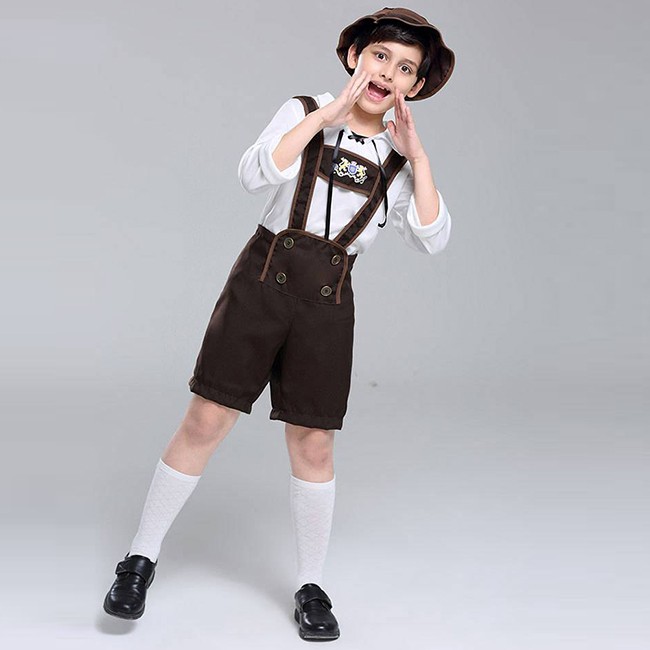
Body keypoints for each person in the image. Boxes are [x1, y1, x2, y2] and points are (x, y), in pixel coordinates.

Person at [102, 7, 455, 642]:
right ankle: (139, 559)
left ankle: (311, 585)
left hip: (328, 303)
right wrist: (326, 117)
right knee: (206, 419)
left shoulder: (398, 161)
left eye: (406, 69)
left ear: (417, 86)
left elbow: (432, 238)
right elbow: (253, 173)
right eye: (380, 56)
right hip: (261, 284)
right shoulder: (303, 110)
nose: (388, 73)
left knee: (314, 442)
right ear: (355, 56)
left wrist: (419, 156)